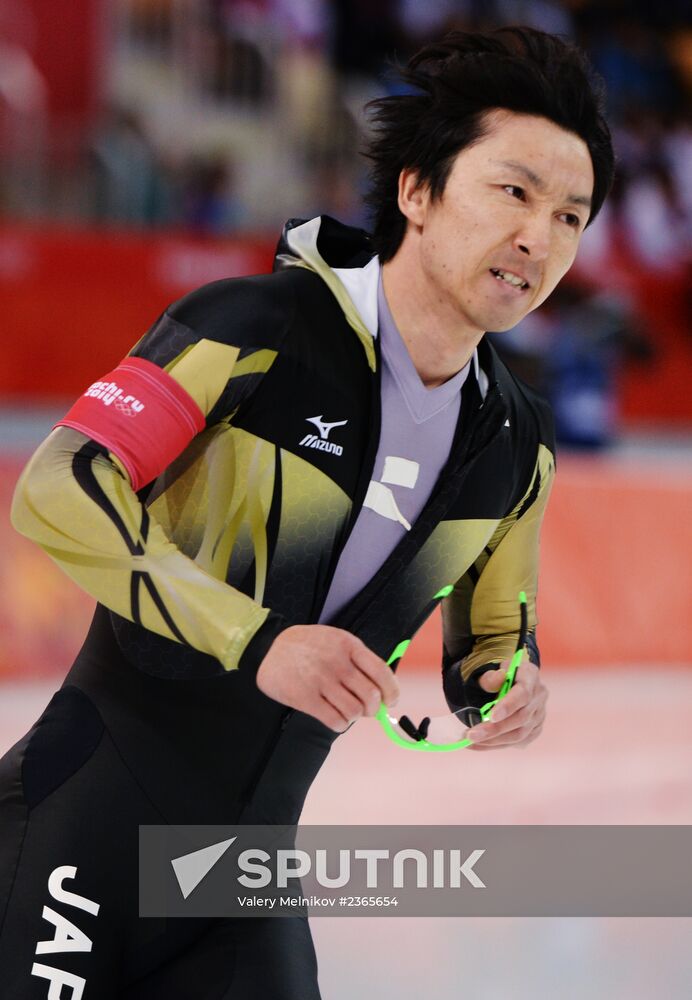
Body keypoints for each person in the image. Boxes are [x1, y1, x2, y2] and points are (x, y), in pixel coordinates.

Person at [0, 26, 613, 1000]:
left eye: (570, 215)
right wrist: (255, 640)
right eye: (512, 191)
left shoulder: (512, 446)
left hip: (242, 882)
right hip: (81, 839)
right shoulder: (251, 328)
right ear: (415, 190)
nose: (538, 236)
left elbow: (487, 643)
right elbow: (60, 484)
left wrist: (506, 684)